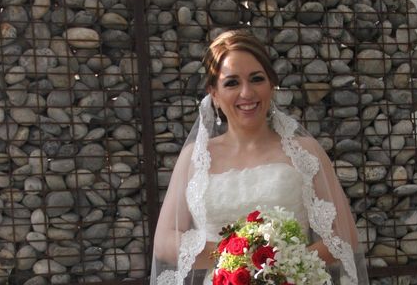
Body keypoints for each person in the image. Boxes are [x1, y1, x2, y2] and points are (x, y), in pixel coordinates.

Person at [150, 29, 368, 285]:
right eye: (232, 82)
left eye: (256, 79)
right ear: (214, 94)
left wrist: (286, 267)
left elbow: (343, 235)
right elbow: (164, 242)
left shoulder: (304, 151)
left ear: (271, 85)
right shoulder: (195, 158)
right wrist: (235, 258)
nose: (247, 93)